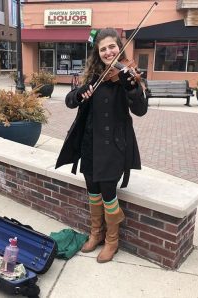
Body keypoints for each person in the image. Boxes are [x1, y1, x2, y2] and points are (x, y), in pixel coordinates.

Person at [55, 28, 148, 263]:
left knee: (108, 194)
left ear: (119, 48)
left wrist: (132, 88)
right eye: (103, 48)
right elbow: (69, 101)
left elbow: (140, 110)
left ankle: (112, 241)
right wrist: (79, 94)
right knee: (93, 193)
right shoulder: (93, 76)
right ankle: (96, 233)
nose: (108, 52)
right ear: (98, 52)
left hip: (113, 146)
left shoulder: (126, 76)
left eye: (112, 47)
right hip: (89, 144)